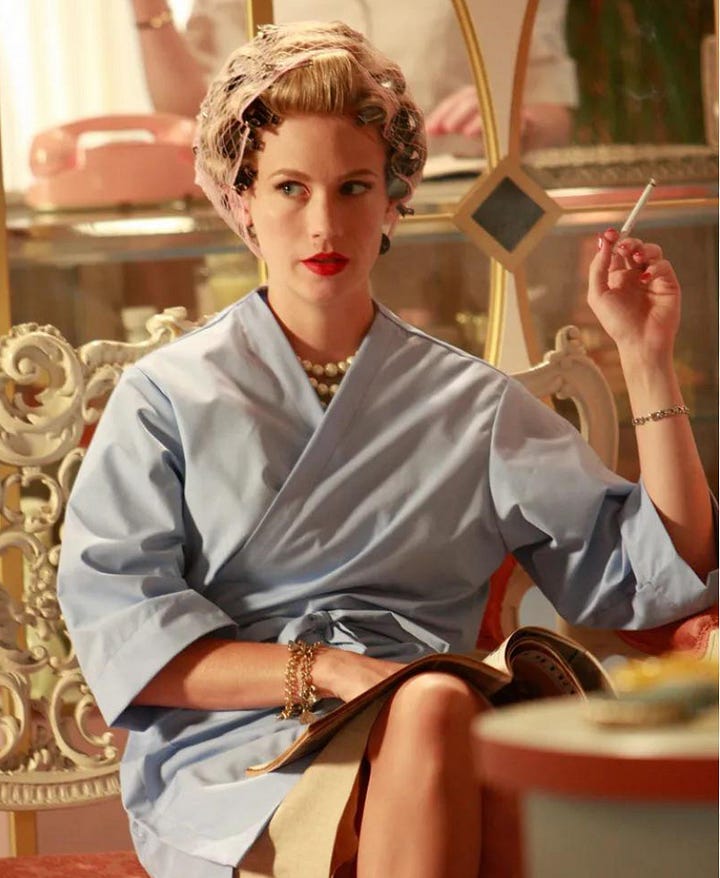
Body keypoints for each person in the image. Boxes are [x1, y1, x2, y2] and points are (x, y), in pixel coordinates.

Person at [57, 20, 717, 878]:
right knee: (445, 713)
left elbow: (658, 572)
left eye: (354, 187)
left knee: (440, 707)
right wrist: (330, 670)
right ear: (241, 199)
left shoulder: (471, 404)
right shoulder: (164, 398)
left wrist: (644, 355)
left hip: (427, 723)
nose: (324, 223)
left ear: (396, 199)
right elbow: (128, 639)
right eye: (290, 188)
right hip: (234, 761)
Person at [131, 0, 578, 153]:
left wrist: (514, 119)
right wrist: (148, 10)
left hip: (461, 232)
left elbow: (551, 108)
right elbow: (193, 113)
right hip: (304, 241)